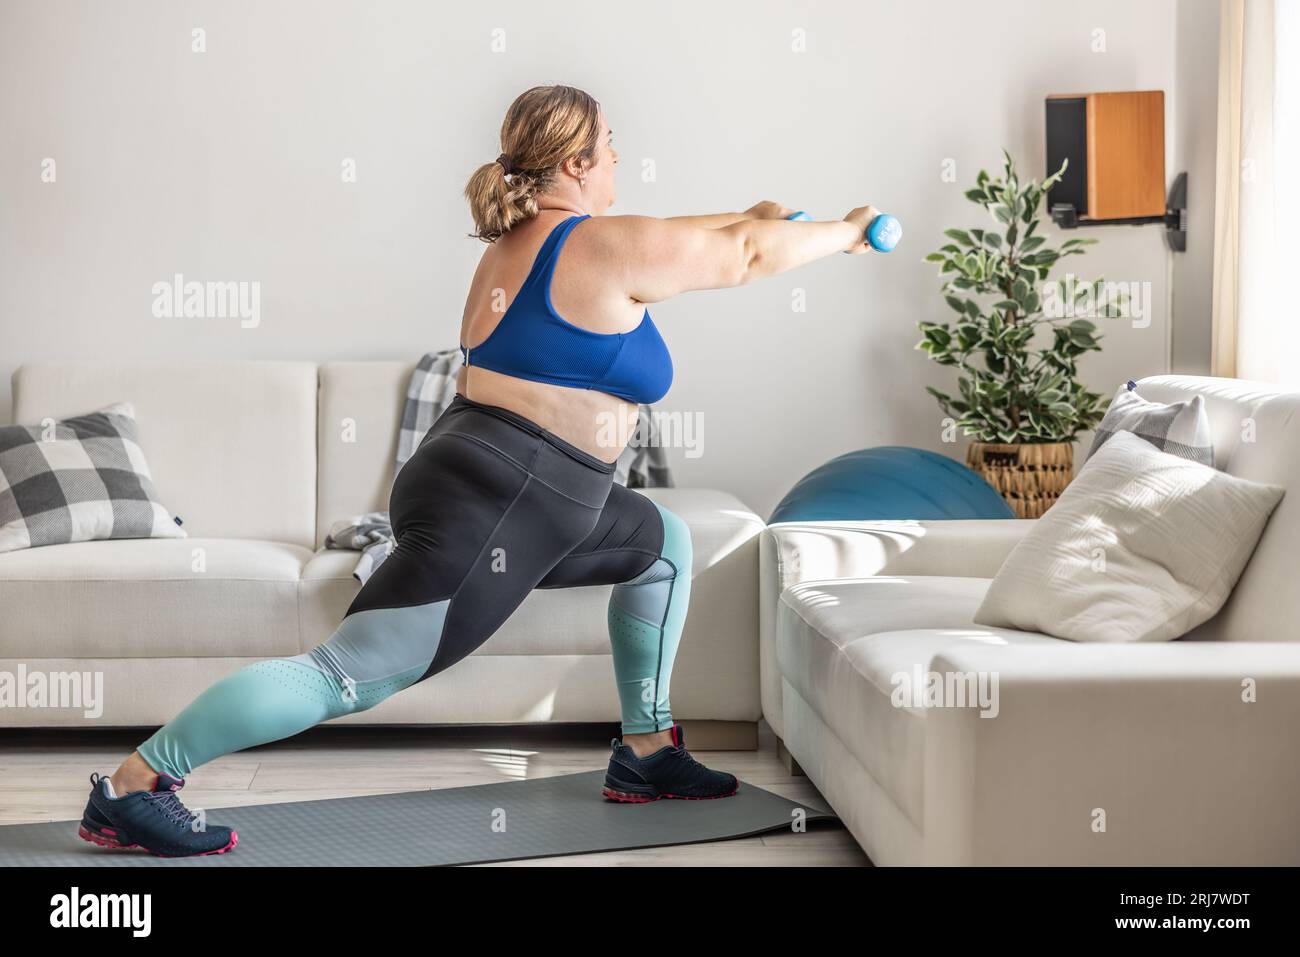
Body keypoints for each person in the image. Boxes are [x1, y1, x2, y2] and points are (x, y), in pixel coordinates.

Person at [79, 84, 882, 857]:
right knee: (345, 674)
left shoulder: (526, 243)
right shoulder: (595, 245)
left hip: (523, 488)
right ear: (574, 166)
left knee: (662, 543)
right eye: (609, 149)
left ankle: (644, 748)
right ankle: (133, 786)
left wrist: (761, 214)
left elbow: (709, 231)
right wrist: (848, 233)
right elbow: (739, 255)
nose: (616, 164)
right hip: (509, 498)